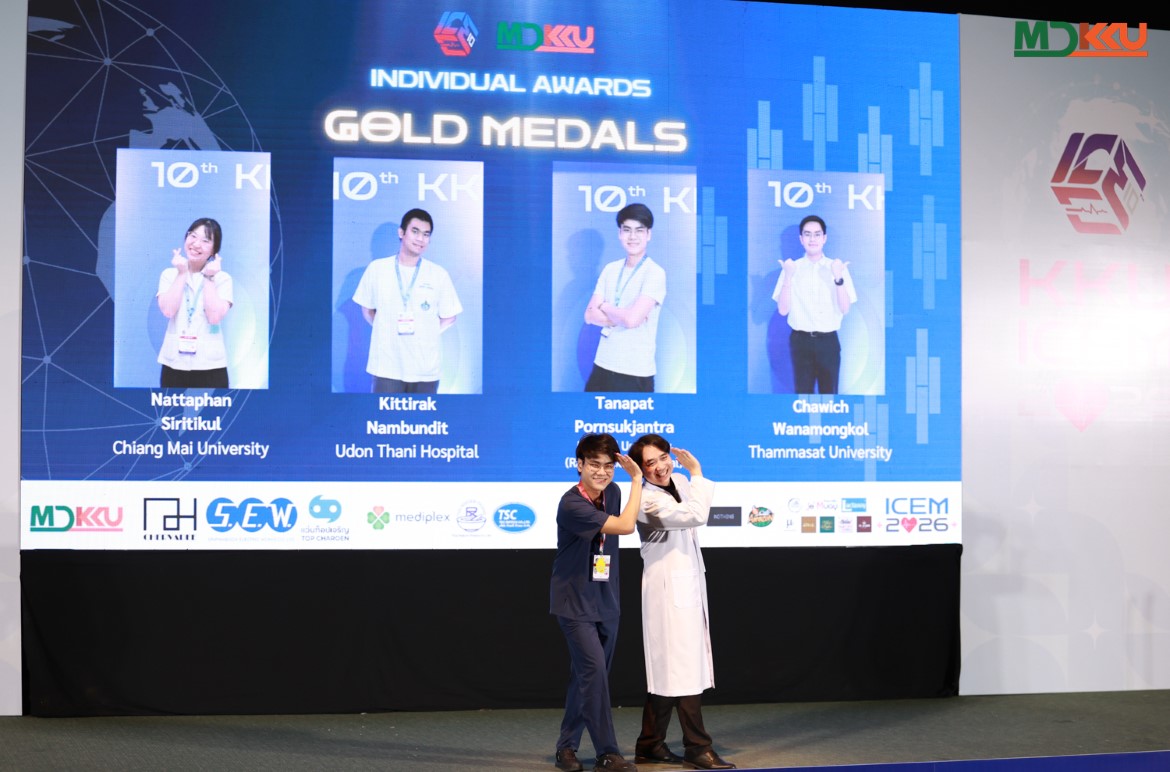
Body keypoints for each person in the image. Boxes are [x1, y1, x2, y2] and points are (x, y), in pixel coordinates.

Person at [628, 434, 735, 770]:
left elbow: (692, 510)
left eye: (663, 457)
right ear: (640, 470)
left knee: (670, 671)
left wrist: (690, 477)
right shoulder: (646, 501)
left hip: (687, 586)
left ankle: (649, 745)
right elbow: (696, 515)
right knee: (682, 669)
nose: (661, 466)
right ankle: (698, 747)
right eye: (650, 463)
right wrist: (698, 472)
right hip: (665, 594)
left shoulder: (679, 482)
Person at [551, 433, 643, 772]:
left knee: (586, 676)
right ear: (579, 465)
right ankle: (608, 753)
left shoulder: (613, 492)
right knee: (593, 674)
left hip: (606, 599)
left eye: (608, 466)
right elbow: (626, 526)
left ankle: (566, 748)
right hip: (574, 602)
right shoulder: (571, 504)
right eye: (594, 465)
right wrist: (637, 479)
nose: (602, 472)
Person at [352, 208, 462, 393]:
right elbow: (367, 310)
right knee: (385, 413)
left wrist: (426, 332)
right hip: (386, 367)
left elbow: (450, 316)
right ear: (401, 233)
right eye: (415, 231)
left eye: (426, 234)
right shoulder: (377, 269)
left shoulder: (438, 274)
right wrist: (387, 329)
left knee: (424, 413)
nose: (420, 239)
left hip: (425, 369)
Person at [584, 204, 666, 393]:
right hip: (601, 365)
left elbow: (631, 320)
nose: (632, 236)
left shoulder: (655, 273)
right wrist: (622, 317)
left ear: (648, 234)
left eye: (639, 230)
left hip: (635, 372)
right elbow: (589, 315)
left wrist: (605, 306)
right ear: (619, 233)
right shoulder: (610, 269)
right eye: (627, 230)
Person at [772, 214, 857, 394]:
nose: (812, 239)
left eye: (817, 234)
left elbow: (845, 308)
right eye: (808, 234)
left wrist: (838, 277)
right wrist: (788, 276)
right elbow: (783, 310)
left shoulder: (837, 267)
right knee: (802, 396)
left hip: (828, 342)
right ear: (801, 239)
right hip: (800, 341)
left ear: (824, 238)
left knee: (830, 396)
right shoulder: (791, 268)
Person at [156, 217, 232, 388]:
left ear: (214, 250)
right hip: (174, 363)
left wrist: (209, 277)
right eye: (193, 236)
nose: (196, 244)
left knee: (215, 406)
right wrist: (182, 274)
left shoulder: (222, 278)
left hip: (211, 365)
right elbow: (168, 310)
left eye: (206, 240)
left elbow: (214, 317)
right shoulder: (169, 274)